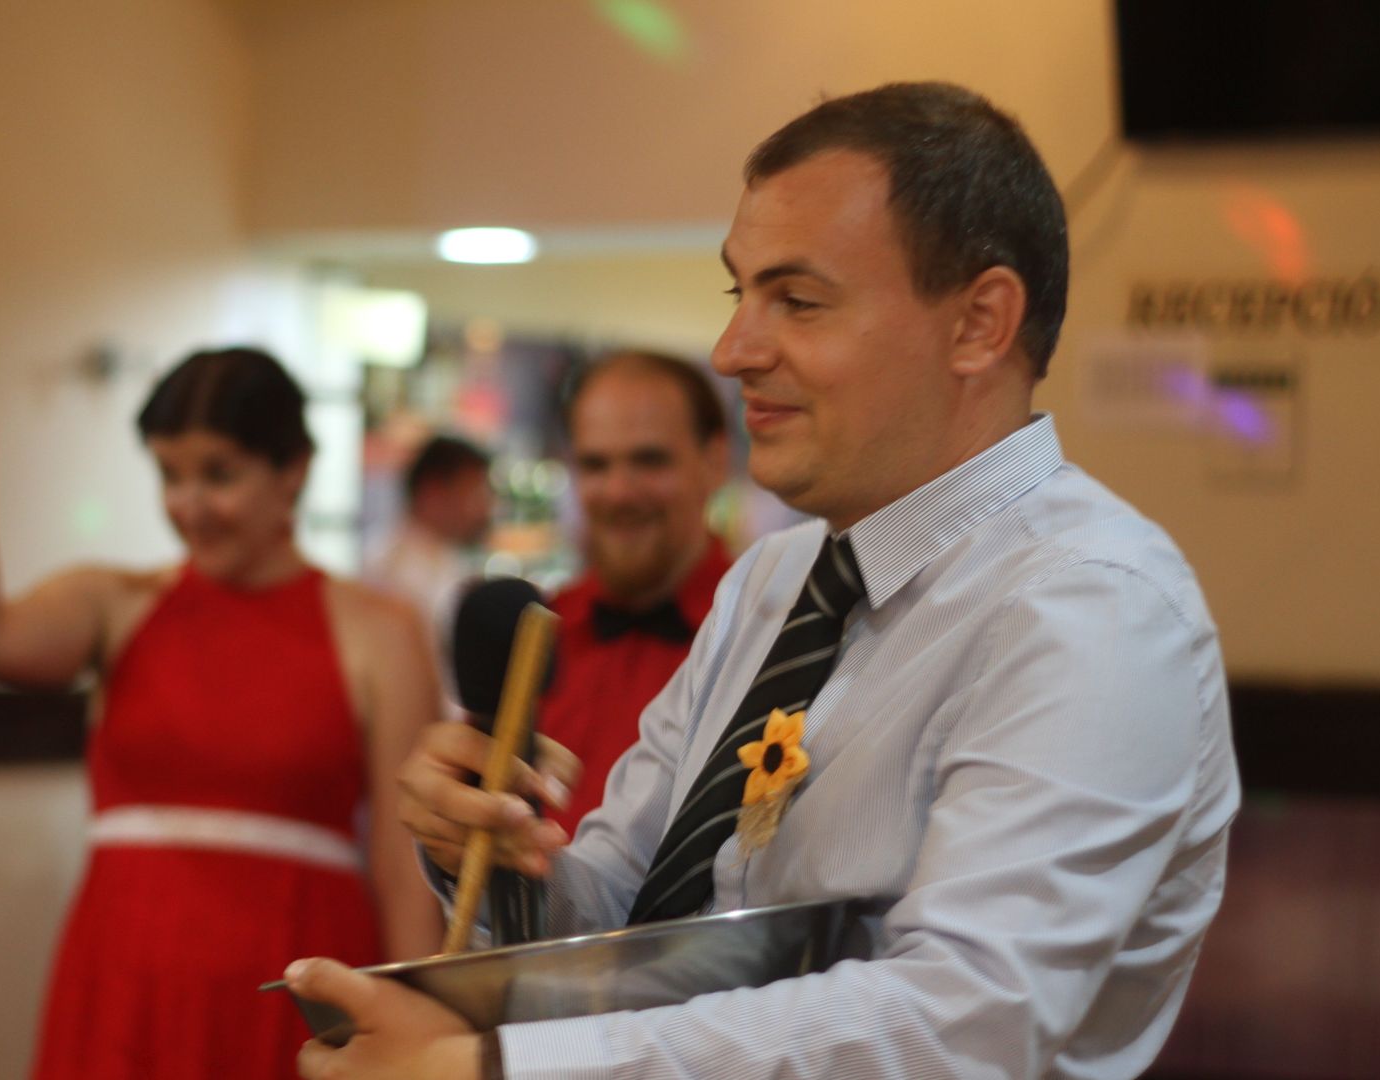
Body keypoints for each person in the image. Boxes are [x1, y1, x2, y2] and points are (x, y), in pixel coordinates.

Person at [287, 82, 1241, 1079]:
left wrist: (495, 1069)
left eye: (798, 301)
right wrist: (488, 851)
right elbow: (625, 912)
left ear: (979, 323)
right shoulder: (776, 580)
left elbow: (964, 1020)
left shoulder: (1092, 604)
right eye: (738, 294)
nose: (732, 351)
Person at [0, 347, 444, 1079]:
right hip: (124, 972)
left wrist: (421, 1038)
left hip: (294, 979)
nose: (190, 506)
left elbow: (405, 868)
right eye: (169, 475)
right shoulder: (117, 603)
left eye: (219, 474)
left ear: (294, 470)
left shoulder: (380, 630)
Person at [537, 350, 733, 835]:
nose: (619, 493)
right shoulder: (536, 633)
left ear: (715, 462)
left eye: (649, 461)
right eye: (595, 465)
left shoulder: (766, 636)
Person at [365, 434, 493, 673]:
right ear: (433, 492)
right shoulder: (395, 570)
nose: (486, 509)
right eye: (475, 493)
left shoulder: (441, 557)